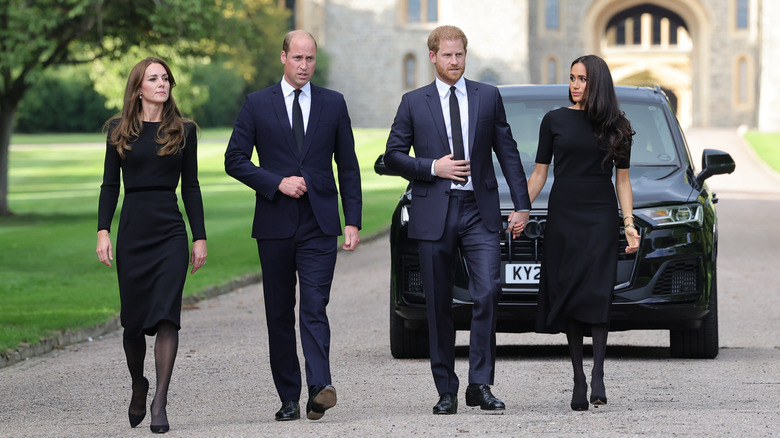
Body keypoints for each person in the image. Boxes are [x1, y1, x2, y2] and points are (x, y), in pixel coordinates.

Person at [383, 25, 531, 415]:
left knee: (488, 292)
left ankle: (479, 384)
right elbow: (393, 155)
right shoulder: (413, 102)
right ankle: (446, 389)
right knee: (438, 304)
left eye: (460, 55)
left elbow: (508, 152)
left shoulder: (488, 96)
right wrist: (433, 166)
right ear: (432, 57)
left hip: (479, 211)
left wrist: (522, 204)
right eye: (447, 55)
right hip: (434, 210)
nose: (454, 62)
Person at [224, 30, 362, 422]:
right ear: (283, 57)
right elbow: (234, 159)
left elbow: (348, 167)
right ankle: (288, 397)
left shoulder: (333, 104)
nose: (304, 66)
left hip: (320, 224)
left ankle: (320, 388)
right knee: (280, 313)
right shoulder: (256, 104)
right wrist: (276, 182)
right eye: (298, 58)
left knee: (315, 307)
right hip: (274, 224)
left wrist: (352, 220)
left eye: (310, 59)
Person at [521, 54, 640, 411]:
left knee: (597, 291)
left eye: (582, 79)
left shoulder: (618, 125)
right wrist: (521, 209)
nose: (574, 85)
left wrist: (629, 224)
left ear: (597, 82)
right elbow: (540, 173)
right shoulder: (554, 120)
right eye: (572, 78)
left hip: (600, 216)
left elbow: (623, 180)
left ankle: (599, 373)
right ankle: (578, 377)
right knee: (571, 292)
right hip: (564, 216)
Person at [96, 57, 207, 433]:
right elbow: (110, 185)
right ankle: (139, 384)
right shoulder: (118, 130)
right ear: (138, 87)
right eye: (153, 78)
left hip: (170, 233)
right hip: (133, 232)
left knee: (166, 316)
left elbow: (191, 186)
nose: (162, 84)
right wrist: (102, 231)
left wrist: (199, 237)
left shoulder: (184, 130)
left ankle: (160, 401)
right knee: (132, 324)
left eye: (165, 78)